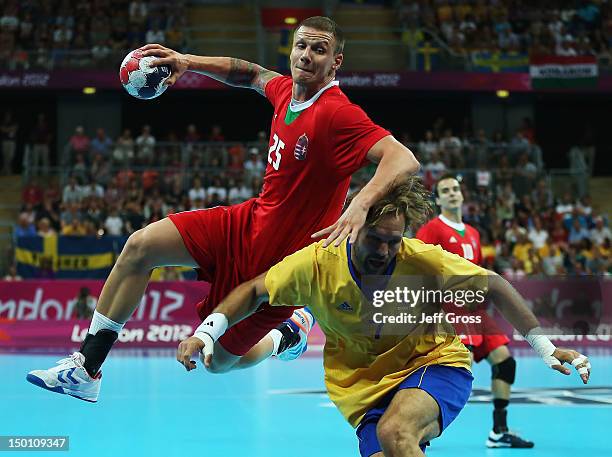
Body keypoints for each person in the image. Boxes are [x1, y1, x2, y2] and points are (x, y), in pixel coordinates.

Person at [26, 16, 419, 402]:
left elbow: (403, 159)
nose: (306, 55)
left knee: (217, 361)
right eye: (301, 45)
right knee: (140, 246)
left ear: (336, 62)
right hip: (246, 224)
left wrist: (360, 205)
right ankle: (86, 369)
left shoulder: (338, 113)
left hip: (280, 265)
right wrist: (185, 61)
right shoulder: (286, 90)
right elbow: (248, 73)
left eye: (319, 50)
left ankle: (290, 332)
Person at [176, 180, 590, 456]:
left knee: (398, 434)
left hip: (434, 364)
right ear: (353, 227)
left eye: (394, 241)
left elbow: (495, 285)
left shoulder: (421, 259)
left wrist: (546, 346)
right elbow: (253, 290)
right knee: (392, 443)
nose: (385, 250)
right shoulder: (316, 263)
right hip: (360, 389)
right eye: (376, 239)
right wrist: (207, 333)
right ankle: (291, 335)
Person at [416, 174, 533, 448]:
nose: (452, 193)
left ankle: (499, 431)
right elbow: (417, 268)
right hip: (451, 312)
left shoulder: (473, 233)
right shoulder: (432, 230)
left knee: (505, 363)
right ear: (439, 198)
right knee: (456, 370)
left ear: (462, 194)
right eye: (445, 190)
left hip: (477, 314)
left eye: (455, 188)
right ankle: (417, 427)